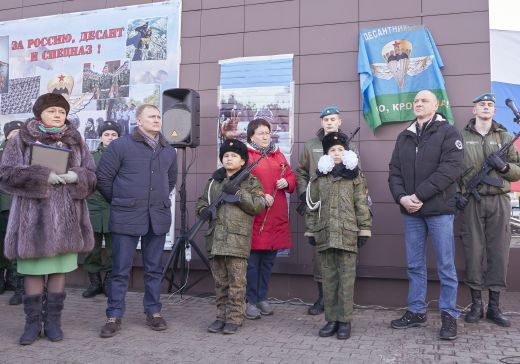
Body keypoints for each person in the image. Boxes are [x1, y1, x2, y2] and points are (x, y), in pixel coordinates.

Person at [0, 93, 96, 345]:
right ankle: (32, 325)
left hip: (67, 222)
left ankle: (53, 323)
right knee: (33, 272)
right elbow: (7, 175)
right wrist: (42, 176)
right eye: (52, 110)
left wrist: (77, 176)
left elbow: (92, 175)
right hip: (34, 224)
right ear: (39, 113)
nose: (57, 115)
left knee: (58, 272)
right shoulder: (21, 139)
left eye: (62, 112)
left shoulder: (76, 140)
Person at [96, 104, 177, 338]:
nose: (157, 119)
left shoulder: (168, 150)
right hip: (126, 216)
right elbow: (103, 179)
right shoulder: (120, 146)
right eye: (151, 116)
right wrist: (123, 201)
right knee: (120, 270)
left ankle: (153, 312)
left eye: (159, 116)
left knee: (154, 269)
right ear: (138, 121)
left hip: (157, 218)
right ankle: (113, 315)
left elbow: (170, 182)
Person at [388, 90, 463, 340]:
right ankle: (417, 311)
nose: (418, 104)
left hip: (438, 210)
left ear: (436, 105)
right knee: (415, 265)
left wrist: (418, 195)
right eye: (416, 101)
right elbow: (394, 171)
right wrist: (402, 198)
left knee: (445, 266)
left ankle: (449, 316)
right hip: (411, 212)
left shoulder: (448, 132)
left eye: (424, 101)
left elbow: (450, 170)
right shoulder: (404, 136)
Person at [456, 93, 520, 327]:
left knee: (498, 252)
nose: (486, 107)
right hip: (472, 200)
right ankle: (475, 305)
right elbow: (452, 169)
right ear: (474, 110)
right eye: (481, 104)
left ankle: (494, 306)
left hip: (499, 201)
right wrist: (457, 194)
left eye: (490, 105)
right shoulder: (461, 136)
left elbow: (518, 170)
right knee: (473, 251)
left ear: (494, 111)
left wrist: (503, 166)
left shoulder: (504, 136)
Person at [196, 139, 265, 334]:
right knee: (220, 282)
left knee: (236, 282)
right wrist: (203, 210)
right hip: (216, 239)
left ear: (243, 161)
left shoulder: (250, 181)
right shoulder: (214, 182)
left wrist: (238, 193)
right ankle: (221, 316)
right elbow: (202, 201)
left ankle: (234, 318)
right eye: (226, 155)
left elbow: (258, 205)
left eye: (234, 156)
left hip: (237, 239)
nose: (229, 158)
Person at [306, 132, 371, 339]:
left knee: (346, 280)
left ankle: (344, 321)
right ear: (326, 153)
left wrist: (364, 229)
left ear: (346, 153)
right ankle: (331, 320)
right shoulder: (318, 177)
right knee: (329, 279)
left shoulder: (355, 176)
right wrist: (310, 229)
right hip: (325, 233)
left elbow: (361, 204)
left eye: (340, 150)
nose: (336, 153)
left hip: (347, 233)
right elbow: (311, 206)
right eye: (332, 150)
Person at [295, 106, 359, 315]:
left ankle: (343, 303)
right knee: (320, 255)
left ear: (339, 121)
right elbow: (302, 172)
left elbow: (359, 177)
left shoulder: (350, 145)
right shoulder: (311, 145)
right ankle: (323, 298)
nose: (329, 122)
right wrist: (306, 195)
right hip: (319, 208)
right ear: (321, 122)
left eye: (333, 119)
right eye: (325, 119)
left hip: (343, 209)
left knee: (345, 257)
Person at [244, 118, 296, 319]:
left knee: (267, 263)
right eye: (261, 133)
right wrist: (258, 196)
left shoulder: (277, 154)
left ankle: (262, 297)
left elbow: (291, 176)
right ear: (251, 136)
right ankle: (251, 300)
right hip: (257, 215)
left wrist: (287, 181)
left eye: (268, 132)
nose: (266, 136)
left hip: (276, 216)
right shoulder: (247, 156)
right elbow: (241, 184)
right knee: (253, 263)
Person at [82, 121, 121, 298]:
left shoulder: (124, 155)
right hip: (94, 208)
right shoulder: (90, 157)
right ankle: (95, 283)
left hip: (115, 207)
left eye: (114, 135)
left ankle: (109, 283)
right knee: (92, 248)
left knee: (115, 249)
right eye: (107, 135)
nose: (110, 138)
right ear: (100, 137)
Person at [0, 120, 25, 306]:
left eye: (19, 132)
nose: (16, 135)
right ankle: (3, 279)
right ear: (6, 135)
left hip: (20, 207)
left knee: (18, 247)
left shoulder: (28, 153)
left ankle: (19, 285)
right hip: (2, 208)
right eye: (13, 132)